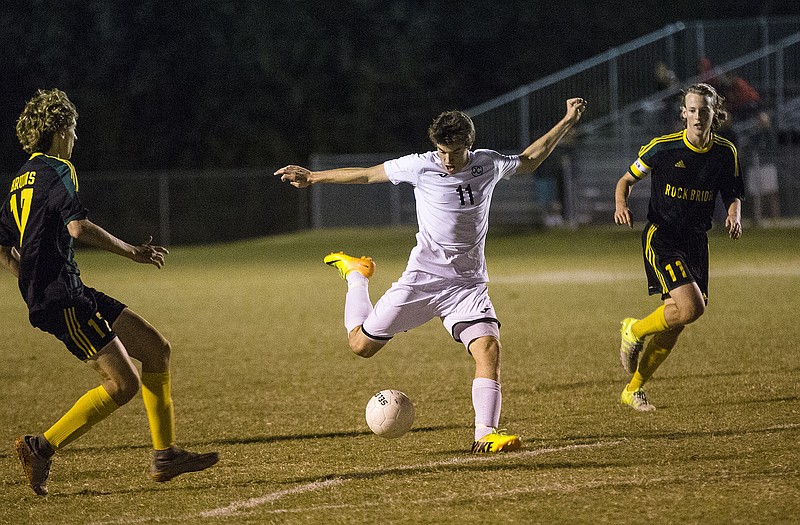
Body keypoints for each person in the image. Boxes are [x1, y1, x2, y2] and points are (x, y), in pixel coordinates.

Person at [275, 98, 587, 452]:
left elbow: (530, 161)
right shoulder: (419, 166)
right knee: (360, 346)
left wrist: (566, 120)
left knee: (488, 347)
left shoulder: (488, 163)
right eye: (442, 151)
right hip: (422, 279)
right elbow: (368, 174)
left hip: (467, 285)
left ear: (468, 145)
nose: (448, 159)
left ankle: (485, 434)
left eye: (455, 151)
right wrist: (314, 177)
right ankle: (357, 275)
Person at [0, 89, 218, 496]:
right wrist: (133, 252)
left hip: (66, 288)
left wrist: (27, 277)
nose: (76, 139)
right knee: (124, 384)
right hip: (62, 297)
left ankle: (165, 455)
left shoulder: (18, 180)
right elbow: (78, 227)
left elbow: (2, 244)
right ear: (58, 130)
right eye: (74, 129)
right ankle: (40, 447)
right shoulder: (59, 168)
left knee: (156, 348)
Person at [613, 83, 744, 412]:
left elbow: (732, 191)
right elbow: (626, 180)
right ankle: (635, 329)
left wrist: (734, 214)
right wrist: (621, 204)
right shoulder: (663, 148)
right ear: (683, 113)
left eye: (704, 110)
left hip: (696, 241)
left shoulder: (725, 152)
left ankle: (634, 389)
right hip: (663, 237)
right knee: (691, 309)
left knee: (678, 319)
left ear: (716, 114)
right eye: (692, 109)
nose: (697, 115)